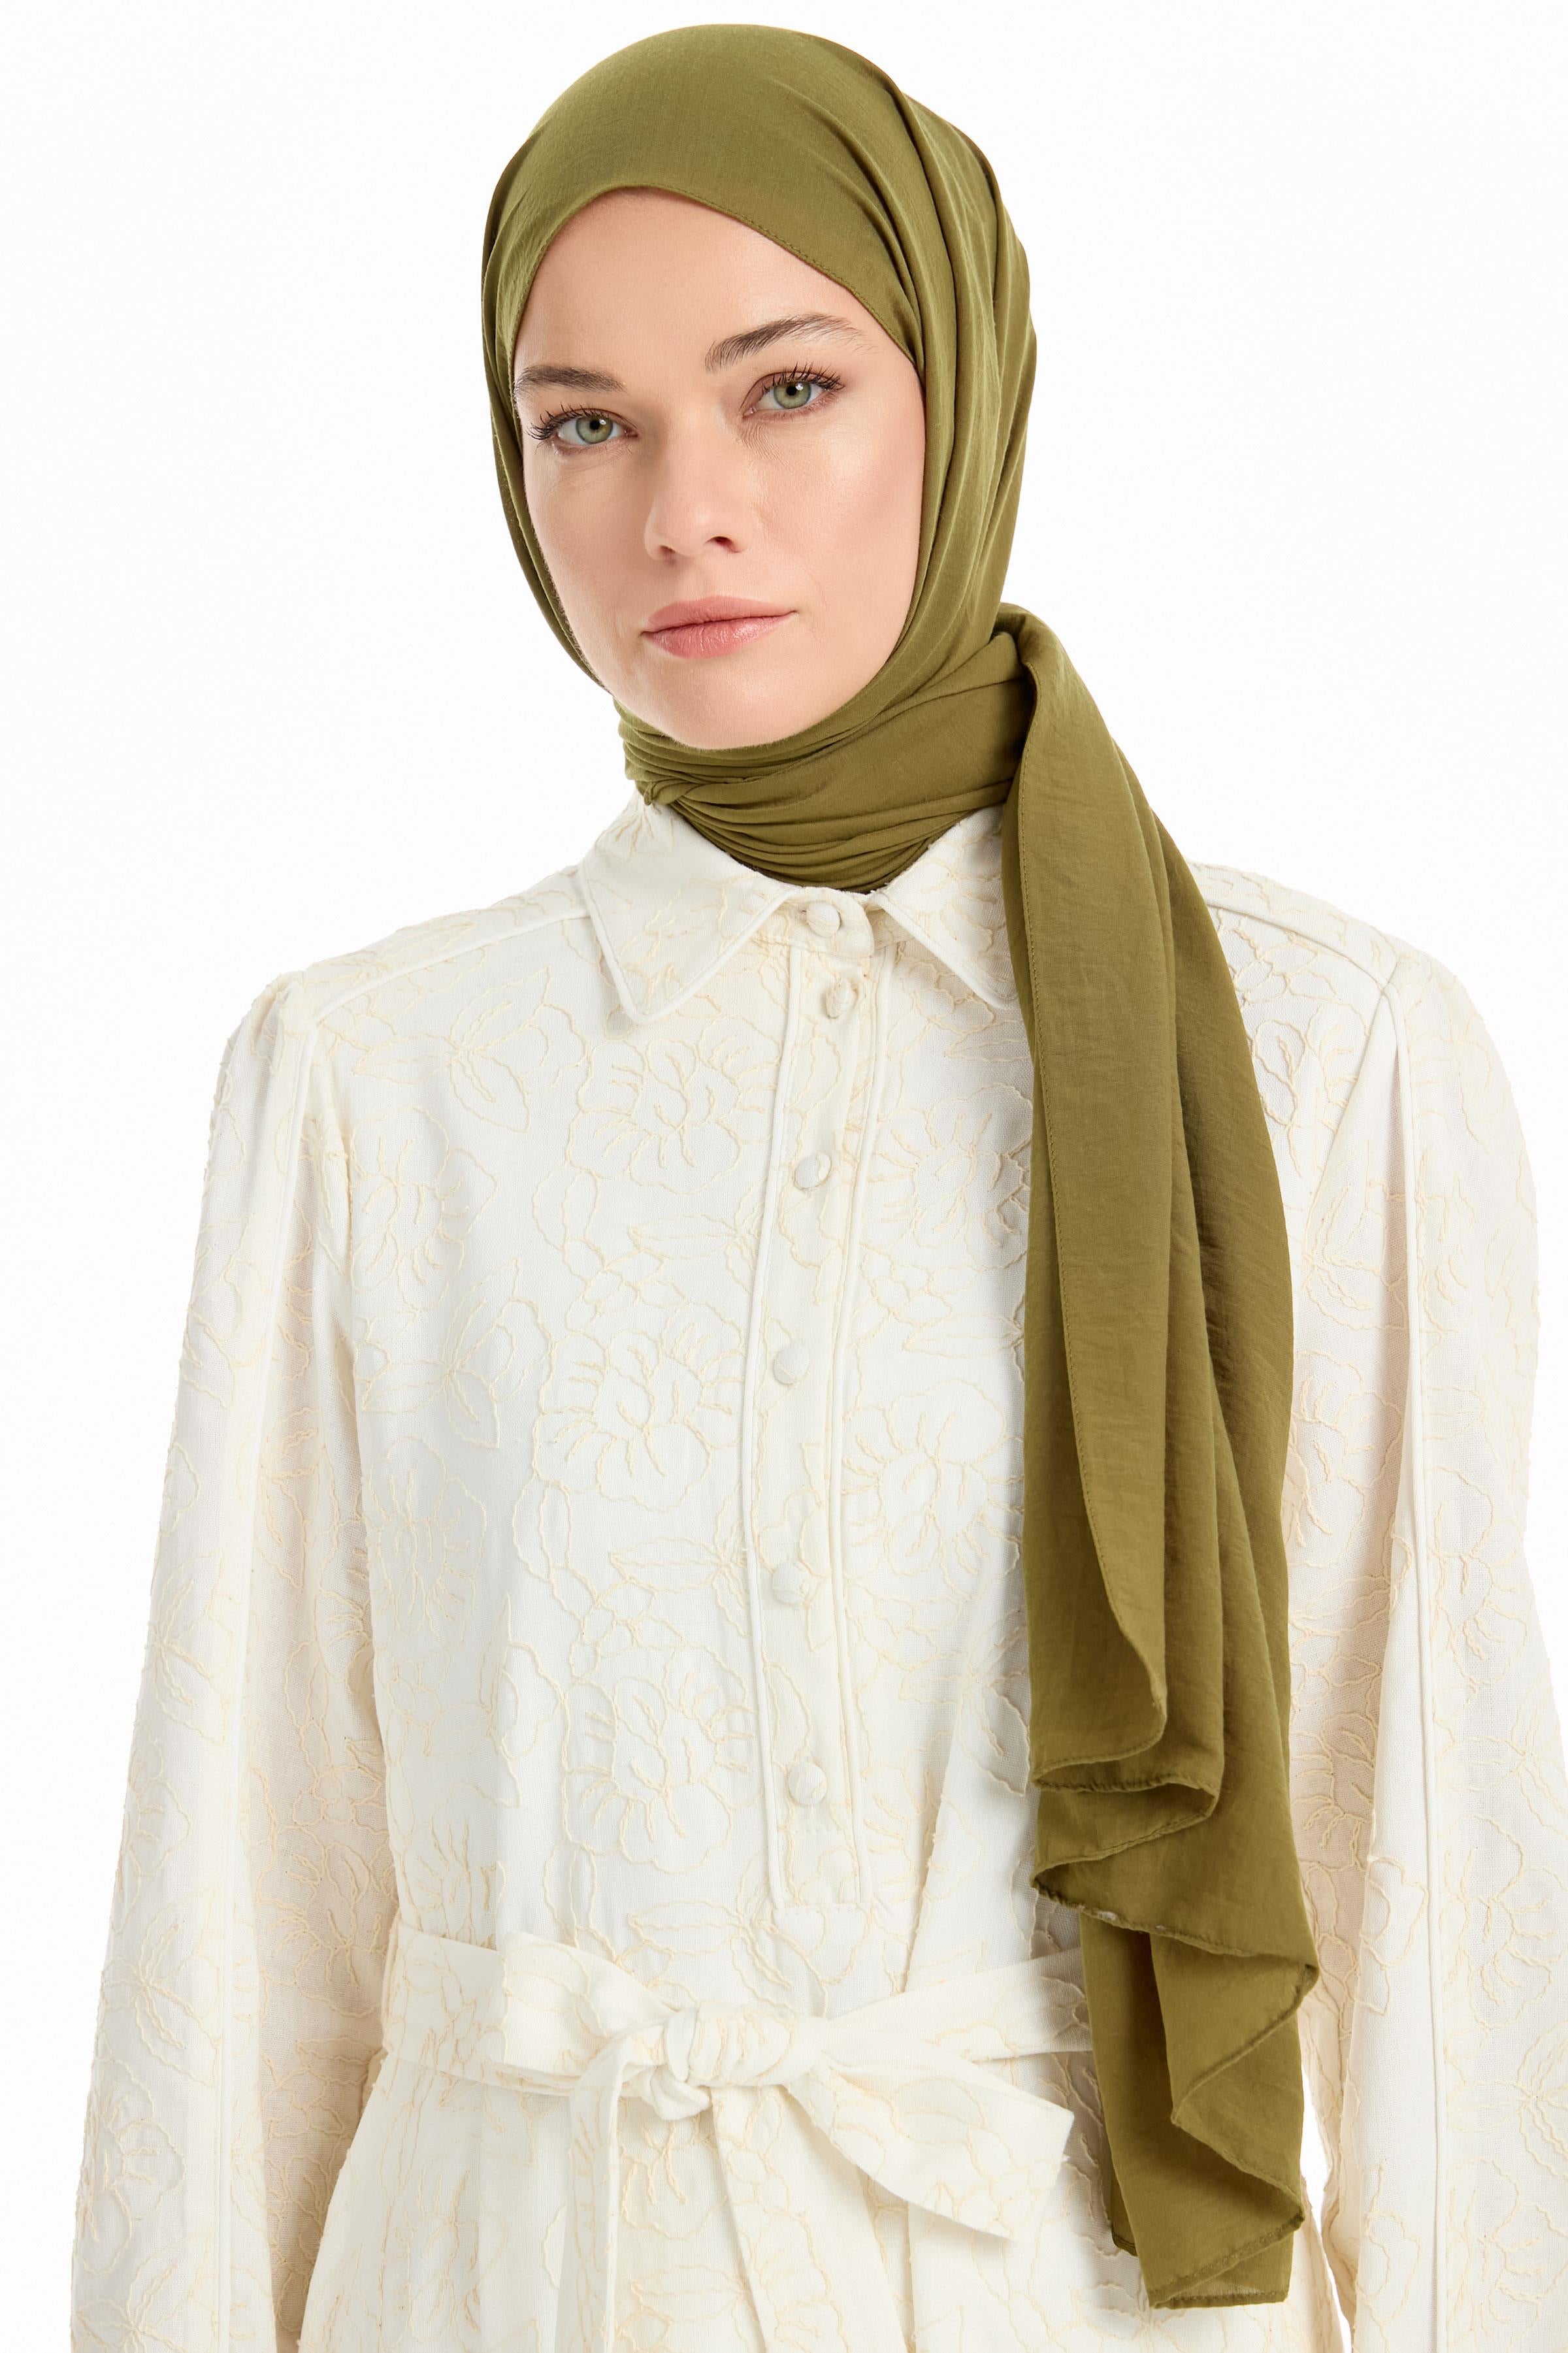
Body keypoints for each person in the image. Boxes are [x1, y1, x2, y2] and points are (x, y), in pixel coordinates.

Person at [69, 26, 1567, 2353]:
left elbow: (1444, 1900)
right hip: (501, 2291)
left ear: (961, 401)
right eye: (585, 422)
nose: (683, 510)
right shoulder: (366, 1081)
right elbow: (239, 1907)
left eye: (786, 389)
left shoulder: (1327, 1053)